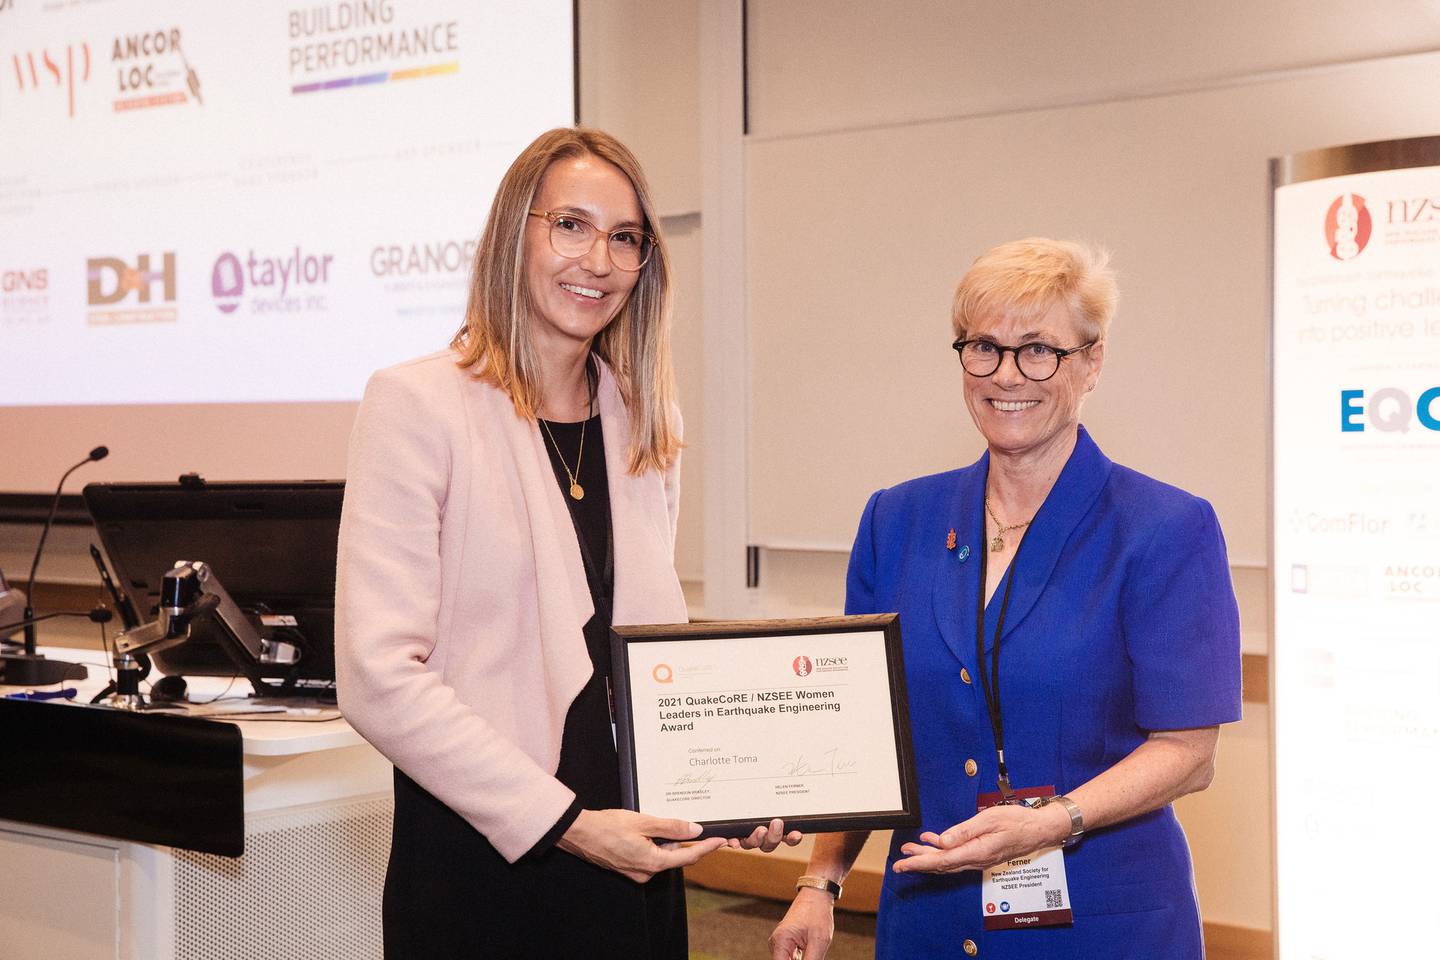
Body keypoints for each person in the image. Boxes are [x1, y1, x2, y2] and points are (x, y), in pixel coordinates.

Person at [336, 127, 795, 960]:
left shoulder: (647, 416)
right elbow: (376, 679)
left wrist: (735, 785)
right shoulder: (417, 405)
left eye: (625, 238)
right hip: (487, 858)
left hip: (636, 853)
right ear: (518, 232)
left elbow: (647, 654)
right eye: (571, 225)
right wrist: (569, 825)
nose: (599, 260)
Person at [770, 238, 1241, 959]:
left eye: (1038, 350)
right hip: (929, 912)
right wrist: (820, 883)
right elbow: (866, 733)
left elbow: (1188, 751)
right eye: (983, 347)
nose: (1006, 374)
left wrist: (1054, 821)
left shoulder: (1166, 529)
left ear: (1091, 363)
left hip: (1100, 921)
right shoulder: (895, 521)